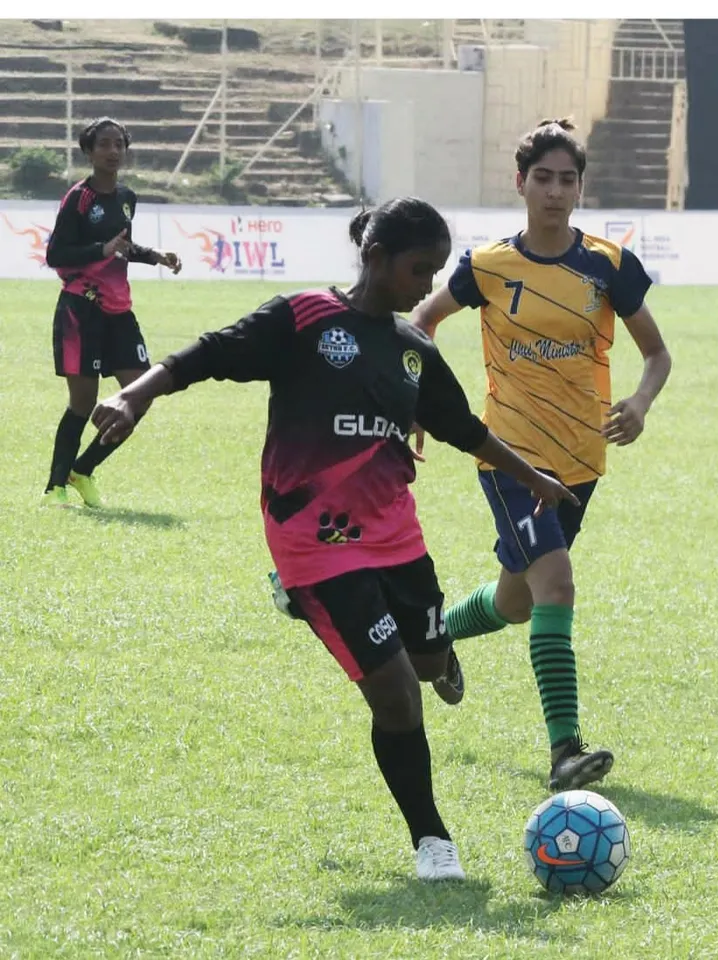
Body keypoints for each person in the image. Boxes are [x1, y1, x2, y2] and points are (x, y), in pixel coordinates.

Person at [90, 197, 579, 882]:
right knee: (398, 696)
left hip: (396, 537)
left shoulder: (414, 349)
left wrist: (533, 478)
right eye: (417, 270)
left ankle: (435, 652)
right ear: (375, 257)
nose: (424, 287)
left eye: (435, 272)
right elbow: (205, 355)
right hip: (312, 541)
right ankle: (432, 842)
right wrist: (134, 395)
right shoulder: (303, 319)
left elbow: (460, 426)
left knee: (431, 669)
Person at [412, 118, 673, 792]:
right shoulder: (489, 266)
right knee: (555, 584)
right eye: (543, 178)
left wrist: (640, 403)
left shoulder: (607, 265)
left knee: (518, 601)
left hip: (582, 459)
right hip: (510, 456)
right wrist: (419, 401)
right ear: (520, 182)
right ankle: (565, 752)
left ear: (579, 188)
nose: (555, 192)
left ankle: (430, 642)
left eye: (567, 180)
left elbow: (656, 353)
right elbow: (421, 323)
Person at [42, 116, 182, 508]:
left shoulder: (126, 197)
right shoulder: (78, 198)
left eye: (118, 144)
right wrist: (99, 251)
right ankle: (55, 486)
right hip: (81, 310)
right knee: (83, 403)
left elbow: (121, 246)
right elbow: (56, 255)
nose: (112, 151)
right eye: (103, 144)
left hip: (120, 312)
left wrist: (154, 256)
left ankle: (82, 469)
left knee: (140, 395)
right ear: (88, 151)